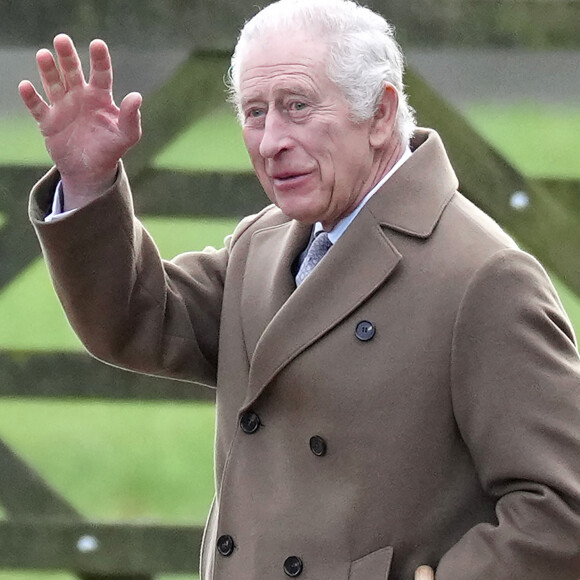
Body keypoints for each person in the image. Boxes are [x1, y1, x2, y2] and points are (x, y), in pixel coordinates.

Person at [20, 0, 580, 578]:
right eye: (255, 112)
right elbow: (137, 317)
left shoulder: (483, 277)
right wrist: (87, 184)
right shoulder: (263, 245)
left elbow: (563, 509)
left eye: (296, 107)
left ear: (381, 113)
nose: (270, 142)